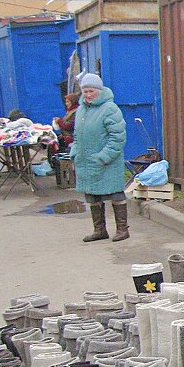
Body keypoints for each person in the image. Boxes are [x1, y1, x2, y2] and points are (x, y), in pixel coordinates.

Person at [70, 72, 129, 243]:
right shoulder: (81, 109)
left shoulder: (110, 109)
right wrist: (74, 152)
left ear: (100, 91)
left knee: (116, 194)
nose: (88, 95)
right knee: (92, 195)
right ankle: (100, 230)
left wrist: (104, 157)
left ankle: (122, 229)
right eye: (85, 91)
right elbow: (76, 134)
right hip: (86, 160)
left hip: (106, 162)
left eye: (91, 91)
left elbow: (117, 137)